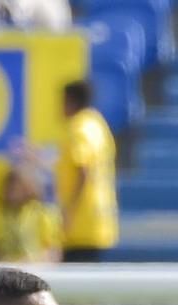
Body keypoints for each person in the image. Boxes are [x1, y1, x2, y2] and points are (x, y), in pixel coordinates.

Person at [57, 80, 118, 261]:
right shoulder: (98, 124)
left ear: (69, 100)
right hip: (100, 219)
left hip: (81, 223)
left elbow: (82, 170)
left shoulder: (78, 128)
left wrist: (68, 212)